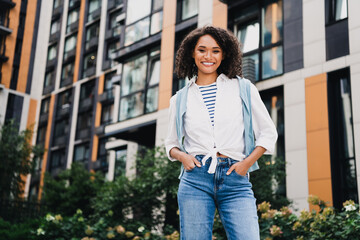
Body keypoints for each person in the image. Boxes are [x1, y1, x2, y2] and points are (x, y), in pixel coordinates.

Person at [165, 25, 278, 240]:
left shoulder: (243, 88)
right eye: (202, 50)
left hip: (235, 178)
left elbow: (268, 133)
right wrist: (183, 157)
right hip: (195, 179)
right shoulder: (179, 98)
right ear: (192, 53)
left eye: (215, 50)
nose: (209, 56)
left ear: (224, 54)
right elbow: (170, 144)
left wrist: (246, 164)